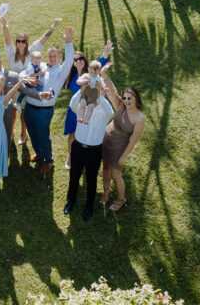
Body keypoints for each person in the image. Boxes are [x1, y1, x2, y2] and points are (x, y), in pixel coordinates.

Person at [0, 16, 62, 145]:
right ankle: (10, 133)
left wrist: (53, 26)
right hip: (13, 86)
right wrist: (5, 25)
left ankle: (23, 132)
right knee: (11, 112)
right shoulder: (11, 52)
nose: (21, 43)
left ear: (27, 42)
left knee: (24, 112)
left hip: (28, 87)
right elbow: (6, 39)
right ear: (16, 42)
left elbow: (44, 39)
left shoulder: (32, 51)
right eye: (18, 41)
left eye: (23, 41)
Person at [20, 27, 75, 174]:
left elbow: (70, 61)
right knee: (32, 132)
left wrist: (68, 43)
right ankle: (39, 153)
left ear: (60, 58)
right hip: (30, 106)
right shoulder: (41, 66)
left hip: (44, 111)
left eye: (54, 56)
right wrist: (26, 80)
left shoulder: (61, 71)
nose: (51, 58)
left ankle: (49, 160)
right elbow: (23, 73)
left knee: (43, 135)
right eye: (49, 56)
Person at [64, 84, 114, 221]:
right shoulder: (82, 106)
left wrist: (100, 96)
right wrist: (80, 91)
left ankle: (89, 207)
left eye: (96, 92)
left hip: (94, 151)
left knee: (91, 180)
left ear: (101, 92)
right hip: (78, 147)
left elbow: (111, 111)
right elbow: (72, 104)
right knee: (74, 176)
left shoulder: (105, 112)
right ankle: (71, 201)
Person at [100, 63, 146, 212]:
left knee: (116, 175)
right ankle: (106, 193)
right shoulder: (121, 105)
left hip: (120, 145)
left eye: (130, 98)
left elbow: (134, 140)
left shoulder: (139, 117)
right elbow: (112, 92)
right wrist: (104, 75)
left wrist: (124, 156)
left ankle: (121, 199)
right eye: (125, 97)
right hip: (107, 139)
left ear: (136, 98)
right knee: (105, 167)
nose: (126, 100)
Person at [62, 43, 112, 168]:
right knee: (72, 135)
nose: (78, 61)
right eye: (75, 60)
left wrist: (105, 54)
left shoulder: (90, 72)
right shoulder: (71, 77)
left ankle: (85, 158)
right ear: (73, 63)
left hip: (90, 107)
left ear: (84, 60)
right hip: (76, 109)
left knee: (86, 134)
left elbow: (98, 63)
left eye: (80, 59)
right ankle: (70, 156)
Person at [76, 61, 108, 125]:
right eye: (91, 72)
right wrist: (83, 81)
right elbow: (78, 81)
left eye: (95, 73)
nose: (93, 74)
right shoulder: (86, 76)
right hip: (85, 95)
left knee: (91, 108)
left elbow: (103, 86)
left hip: (93, 98)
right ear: (88, 69)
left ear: (99, 72)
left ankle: (87, 120)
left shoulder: (99, 79)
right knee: (83, 105)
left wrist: (105, 89)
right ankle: (81, 118)